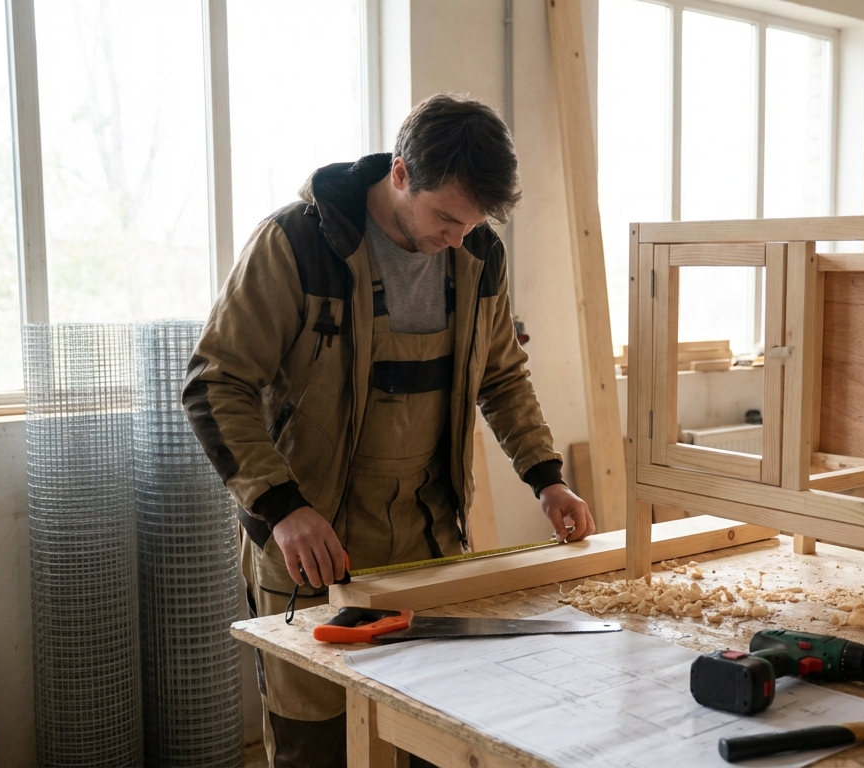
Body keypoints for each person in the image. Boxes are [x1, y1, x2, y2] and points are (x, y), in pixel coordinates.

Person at [183, 93, 594, 768]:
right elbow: (213, 382)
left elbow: (501, 376)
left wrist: (546, 478)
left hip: (427, 547)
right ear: (401, 173)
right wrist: (282, 509)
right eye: (447, 217)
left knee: (430, 737)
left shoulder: (478, 255)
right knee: (317, 746)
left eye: (473, 223)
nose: (457, 238)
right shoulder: (296, 245)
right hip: (313, 554)